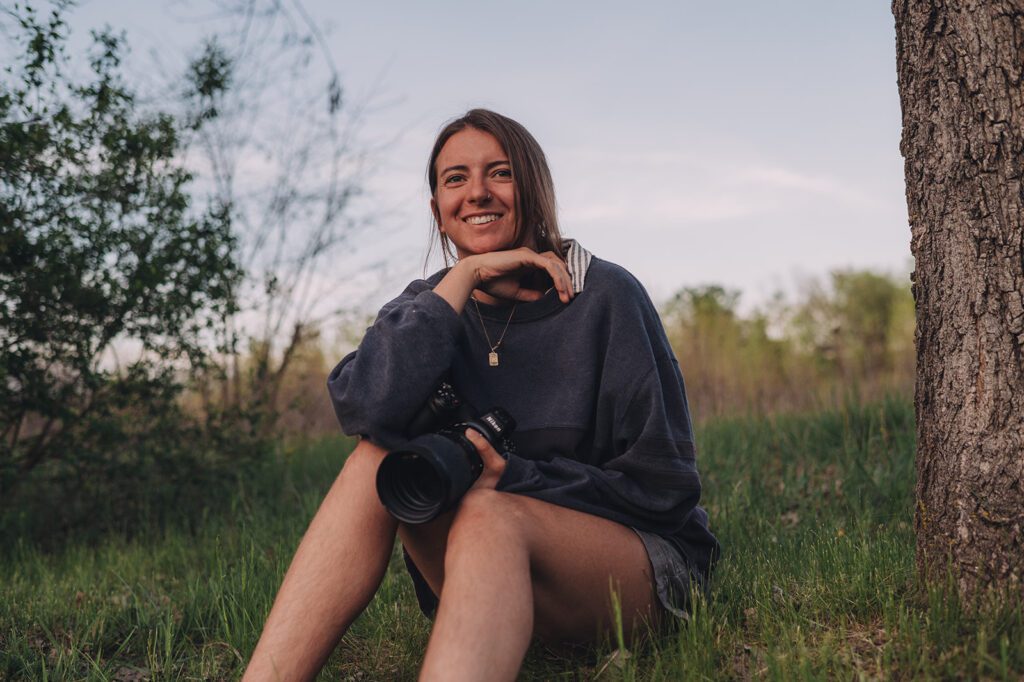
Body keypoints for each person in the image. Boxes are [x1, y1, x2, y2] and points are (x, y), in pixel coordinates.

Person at [243, 109, 719, 682]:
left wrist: (511, 478)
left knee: (490, 514)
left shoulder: (605, 296)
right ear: (437, 209)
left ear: (533, 187)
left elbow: (663, 490)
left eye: (499, 173)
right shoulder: (429, 305)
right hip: (485, 570)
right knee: (375, 459)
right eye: (455, 179)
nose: (476, 193)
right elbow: (363, 409)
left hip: (633, 572)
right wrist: (463, 279)